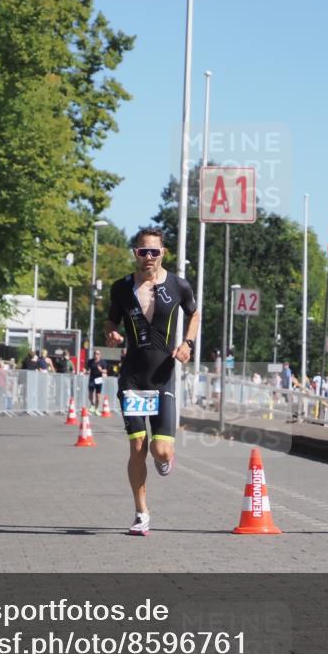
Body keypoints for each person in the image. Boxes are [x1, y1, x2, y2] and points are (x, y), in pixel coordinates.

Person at [104, 227, 199, 536]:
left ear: (163, 254)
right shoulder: (121, 288)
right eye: (142, 251)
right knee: (137, 446)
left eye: (154, 252)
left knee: (161, 451)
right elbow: (111, 320)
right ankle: (141, 511)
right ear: (135, 253)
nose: (148, 257)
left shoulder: (179, 285)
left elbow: (195, 314)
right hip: (132, 376)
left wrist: (187, 344)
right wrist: (111, 333)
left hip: (163, 377)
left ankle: (164, 459)